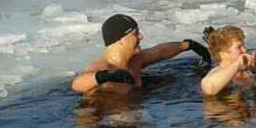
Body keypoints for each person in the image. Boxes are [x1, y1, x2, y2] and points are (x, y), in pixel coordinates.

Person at [72, 13, 211, 94]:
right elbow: (77, 84)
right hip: (108, 117)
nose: (141, 37)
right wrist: (106, 76)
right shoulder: (103, 66)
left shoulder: (135, 60)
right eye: (135, 34)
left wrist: (188, 45)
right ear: (121, 40)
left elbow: (160, 52)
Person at [199, 25, 256, 96]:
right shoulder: (216, 74)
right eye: (239, 47)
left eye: (243, 45)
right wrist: (237, 64)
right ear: (223, 54)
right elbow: (209, 88)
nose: (244, 49)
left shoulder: (247, 69)